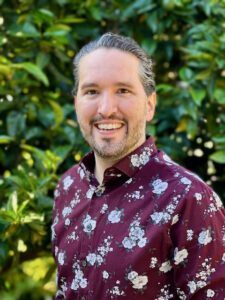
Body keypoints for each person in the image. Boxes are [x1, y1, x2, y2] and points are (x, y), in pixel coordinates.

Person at [51, 32, 225, 300]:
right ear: (77, 103)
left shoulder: (189, 199)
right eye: (92, 91)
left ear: (150, 105)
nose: (106, 108)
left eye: (123, 90)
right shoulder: (68, 187)